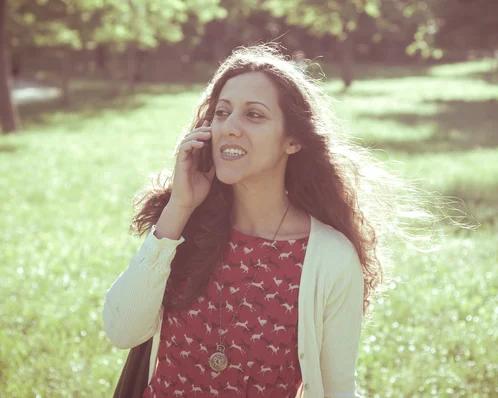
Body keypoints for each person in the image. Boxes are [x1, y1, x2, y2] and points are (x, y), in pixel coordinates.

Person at [103, 44, 443, 397]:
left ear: (292, 141)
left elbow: (337, 387)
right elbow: (122, 329)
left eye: (254, 115)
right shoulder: (186, 226)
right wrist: (179, 207)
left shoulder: (330, 258)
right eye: (222, 112)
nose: (229, 128)